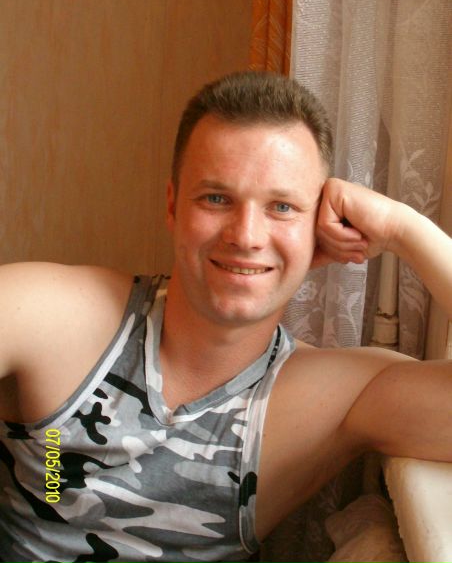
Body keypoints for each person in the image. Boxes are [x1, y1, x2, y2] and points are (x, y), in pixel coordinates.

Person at [0, 71, 451, 563]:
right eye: (216, 198)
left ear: (317, 230)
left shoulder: (325, 399)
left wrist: (403, 229)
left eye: (282, 207)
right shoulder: (53, 314)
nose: (246, 236)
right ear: (173, 206)